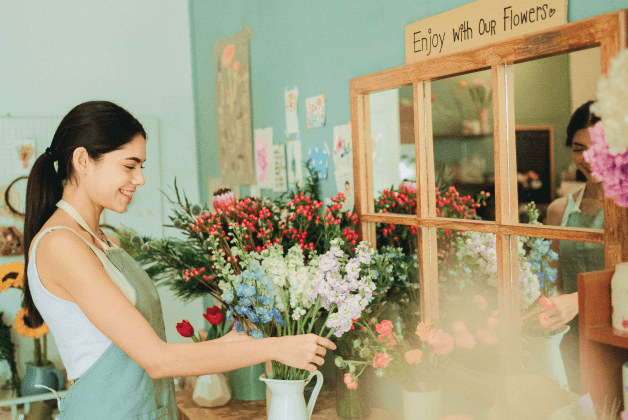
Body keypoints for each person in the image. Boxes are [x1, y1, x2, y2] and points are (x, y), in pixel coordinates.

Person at [22, 101, 335, 419]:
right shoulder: (61, 245)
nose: (140, 179)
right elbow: (159, 360)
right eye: (129, 166)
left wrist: (229, 342)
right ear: (82, 160)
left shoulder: (104, 241)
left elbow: (149, 351)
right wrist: (279, 348)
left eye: (141, 166)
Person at [534, 101, 605, 392]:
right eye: (578, 148)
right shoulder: (558, 211)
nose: (588, 158)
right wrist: (545, 309)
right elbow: (553, 282)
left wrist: (579, 300)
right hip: (572, 342)